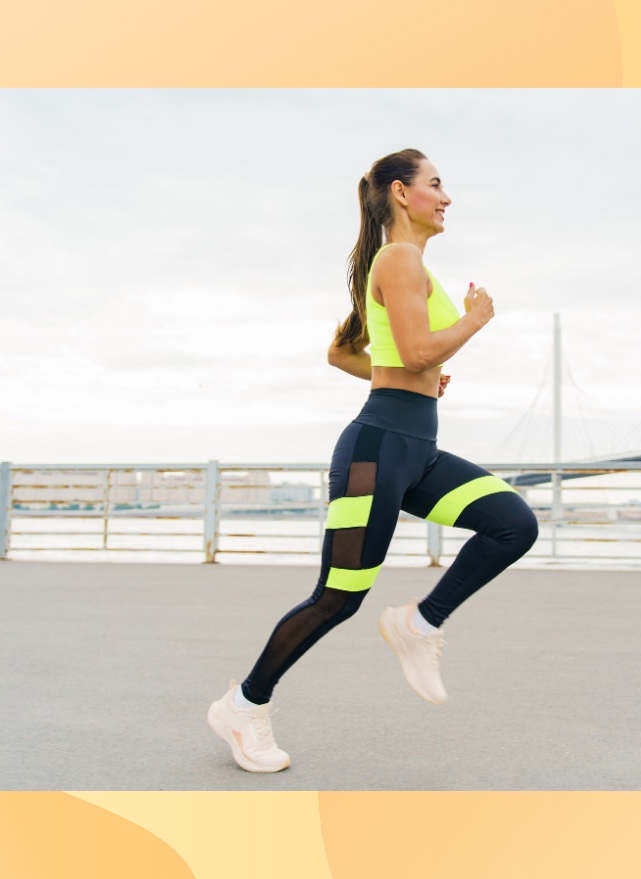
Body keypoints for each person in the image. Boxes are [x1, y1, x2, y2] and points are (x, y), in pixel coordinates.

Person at [206, 148, 539, 772]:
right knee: (337, 597)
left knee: (513, 523)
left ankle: (420, 623)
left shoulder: (404, 266)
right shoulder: (398, 258)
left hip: (417, 450)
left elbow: (345, 352)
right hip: (377, 450)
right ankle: (244, 706)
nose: (446, 197)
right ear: (400, 192)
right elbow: (415, 351)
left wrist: (416, 368)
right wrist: (473, 321)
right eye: (435, 184)